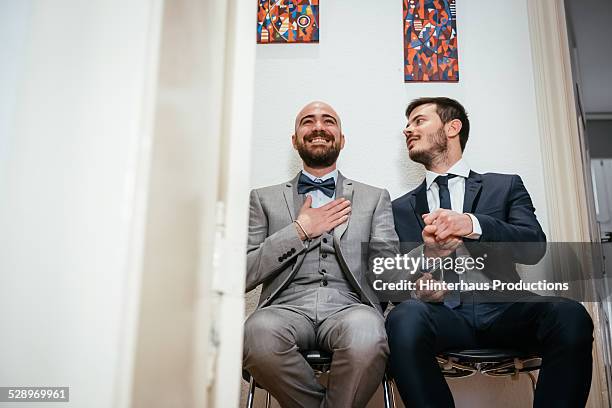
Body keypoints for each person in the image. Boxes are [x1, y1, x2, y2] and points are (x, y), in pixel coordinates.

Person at [386, 97, 594, 407]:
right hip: (441, 315)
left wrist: (472, 224)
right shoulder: (398, 208)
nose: (407, 130)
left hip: (505, 309)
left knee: (571, 315)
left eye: (418, 121)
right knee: (403, 318)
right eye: (408, 124)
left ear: (452, 127)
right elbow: (390, 276)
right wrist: (417, 288)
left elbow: (533, 246)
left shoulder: (505, 186)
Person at [243, 101, 398, 408]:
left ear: (341, 139)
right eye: (307, 122)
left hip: (350, 307)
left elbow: (388, 271)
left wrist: (425, 261)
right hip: (284, 307)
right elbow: (242, 274)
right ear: (295, 139)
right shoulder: (263, 198)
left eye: (328, 121)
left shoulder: (374, 197)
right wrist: (299, 230)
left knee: (369, 334)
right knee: (255, 335)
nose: (317, 127)